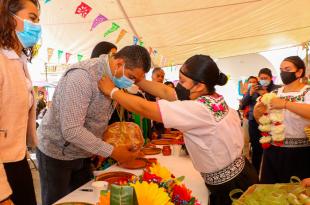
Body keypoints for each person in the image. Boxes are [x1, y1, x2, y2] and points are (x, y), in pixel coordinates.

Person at [99, 54, 258, 205]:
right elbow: (166, 91)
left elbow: (145, 108)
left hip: (231, 187)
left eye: (182, 80)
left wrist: (112, 91)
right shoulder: (211, 98)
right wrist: (136, 79)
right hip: (240, 174)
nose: (177, 85)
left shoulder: (198, 109)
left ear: (199, 85)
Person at [36, 45, 151, 205]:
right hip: (56, 152)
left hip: (83, 153)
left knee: (86, 199)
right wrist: (111, 151)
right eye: (131, 77)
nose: (131, 83)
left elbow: (98, 119)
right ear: (119, 64)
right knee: (58, 202)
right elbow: (71, 130)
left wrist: (100, 148)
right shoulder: (82, 76)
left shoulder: (114, 79)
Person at [0, 0, 41, 204]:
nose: (37, 26)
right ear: (8, 16)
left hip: (18, 158)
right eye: (32, 18)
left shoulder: (18, 61)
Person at [254, 56, 310, 184]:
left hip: (301, 153)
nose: (283, 72)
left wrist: (285, 104)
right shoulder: (274, 93)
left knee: (297, 194)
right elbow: (262, 120)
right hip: (274, 150)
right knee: (273, 191)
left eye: (287, 69)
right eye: (281, 69)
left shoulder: (307, 92)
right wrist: (258, 113)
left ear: (299, 72)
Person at [240, 68, 280, 173]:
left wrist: (265, 93)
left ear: (271, 78)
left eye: (265, 78)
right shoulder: (254, 88)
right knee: (256, 147)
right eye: (261, 78)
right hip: (254, 122)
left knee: (271, 147)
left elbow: (277, 103)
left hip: (272, 122)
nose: (263, 80)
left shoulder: (277, 88)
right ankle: (256, 172)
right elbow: (242, 104)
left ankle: (271, 170)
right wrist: (250, 93)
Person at [239, 76, 258, 160]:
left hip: (257, 119)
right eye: (250, 82)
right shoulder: (246, 93)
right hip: (247, 118)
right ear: (247, 83)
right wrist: (249, 94)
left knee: (255, 142)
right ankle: (246, 158)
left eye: (254, 82)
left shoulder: (259, 92)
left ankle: (254, 156)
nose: (252, 83)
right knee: (245, 140)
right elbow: (242, 106)